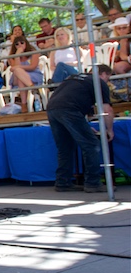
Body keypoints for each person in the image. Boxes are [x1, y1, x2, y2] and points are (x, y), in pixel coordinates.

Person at [46, 65, 114, 193]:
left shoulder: (74, 78)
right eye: (108, 78)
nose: (108, 82)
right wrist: (109, 130)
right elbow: (107, 110)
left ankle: (62, 182)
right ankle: (93, 183)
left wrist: (85, 127)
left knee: (65, 147)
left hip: (52, 107)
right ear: (104, 74)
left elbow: (77, 104)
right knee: (91, 145)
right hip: (70, 109)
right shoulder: (98, 82)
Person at [6, 35, 44, 111]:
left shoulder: (33, 53)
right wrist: (17, 55)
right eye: (17, 44)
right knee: (18, 72)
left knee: (20, 77)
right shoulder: (11, 56)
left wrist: (18, 67)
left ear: (26, 43)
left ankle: (24, 105)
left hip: (33, 74)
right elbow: (15, 68)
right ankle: (32, 88)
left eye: (22, 43)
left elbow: (33, 66)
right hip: (17, 77)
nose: (20, 45)